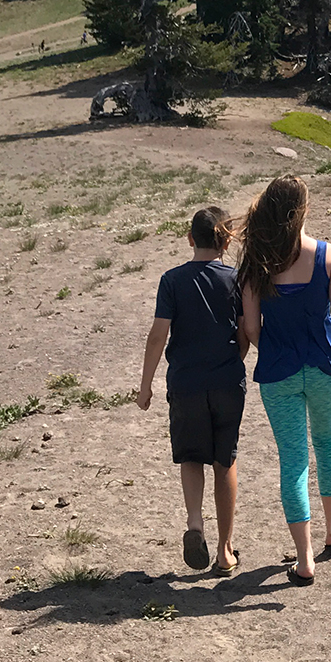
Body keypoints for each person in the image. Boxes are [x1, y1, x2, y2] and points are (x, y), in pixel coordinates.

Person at [237, 175, 331, 586]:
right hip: (324, 367)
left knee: (293, 460)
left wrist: (277, 345)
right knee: (327, 441)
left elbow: (251, 327)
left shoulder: (256, 263)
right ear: (303, 211)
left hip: (278, 372)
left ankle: (303, 560)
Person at [137, 206, 244, 575]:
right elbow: (244, 332)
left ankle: (195, 523)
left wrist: (146, 384)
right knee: (224, 460)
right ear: (226, 240)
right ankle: (225, 550)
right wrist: (237, 357)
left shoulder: (172, 280)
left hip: (185, 383)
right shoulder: (235, 279)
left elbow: (157, 335)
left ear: (189, 239)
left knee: (191, 456)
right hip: (227, 381)